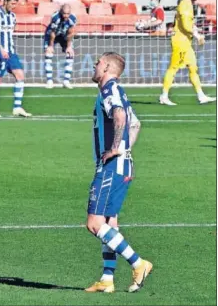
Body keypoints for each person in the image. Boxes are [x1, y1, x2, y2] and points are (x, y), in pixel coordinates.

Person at [85, 52, 152, 293]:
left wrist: (115, 149)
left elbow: (121, 116)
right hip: (123, 165)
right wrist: (125, 150)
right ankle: (107, 278)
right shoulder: (119, 91)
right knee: (109, 222)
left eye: (98, 63)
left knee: (94, 223)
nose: (94, 65)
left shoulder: (109, 90)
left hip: (112, 167)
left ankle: (138, 263)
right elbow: (136, 124)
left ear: (107, 68)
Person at [160, 0, 216, 105]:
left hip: (186, 42)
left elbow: (189, 23)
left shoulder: (189, 4)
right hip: (180, 42)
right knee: (173, 68)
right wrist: (197, 35)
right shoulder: (185, 4)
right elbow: (185, 26)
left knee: (193, 68)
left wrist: (196, 30)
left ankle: (201, 96)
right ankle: (164, 96)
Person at [0, 0, 32, 118]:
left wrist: (8, 49)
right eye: (12, 3)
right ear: (5, 1)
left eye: (15, 4)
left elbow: (10, 33)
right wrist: (1, 49)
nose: (14, 6)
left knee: (20, 76)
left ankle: (17, 108)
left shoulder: (12, 16)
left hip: (11, 51)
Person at [44, 4, 76, 89]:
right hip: (52, 34)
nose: (66, 15)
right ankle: (49, 81)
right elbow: (52, 32)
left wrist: (69, 46)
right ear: (61, 12)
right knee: (48, 54)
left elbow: (71, 33)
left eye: (68, 14)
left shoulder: (72, 19)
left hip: (64, 35)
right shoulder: (55, 17)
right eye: (64, 13)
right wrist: (51, 46)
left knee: (70, 54)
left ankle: (66, 81)